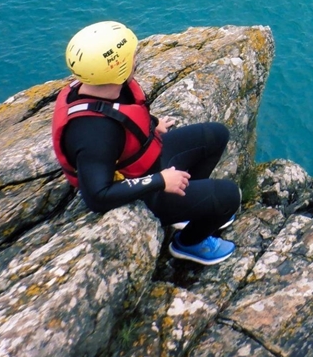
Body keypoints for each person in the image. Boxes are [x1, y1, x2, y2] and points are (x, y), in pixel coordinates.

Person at [52, 21, 241, 265]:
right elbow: (97, 196)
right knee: (229, 195)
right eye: (131, 55)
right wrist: (161, 181)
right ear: (117, 68)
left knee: (215, 135)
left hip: (148, 161)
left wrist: (151, 124)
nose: (136, 57)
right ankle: (189, 242)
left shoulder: (99, 87)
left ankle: (188, 209)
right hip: (143, 192)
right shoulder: (94, 134)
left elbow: (122, 112)